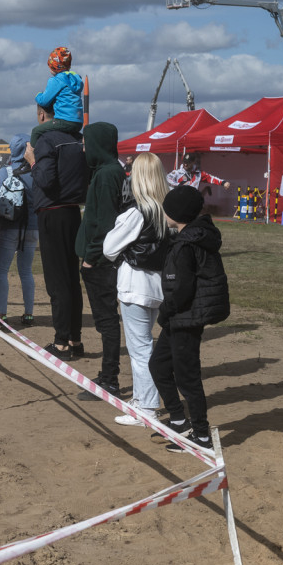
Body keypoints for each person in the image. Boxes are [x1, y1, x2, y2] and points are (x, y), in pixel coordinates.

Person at [149, 186, 230, 452]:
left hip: (185, 318)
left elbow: (180, 290)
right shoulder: (189, 237)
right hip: (179, 317)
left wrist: (165, 312)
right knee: (159, 366)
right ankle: (178, 419)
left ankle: (202, 437)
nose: (164, 212)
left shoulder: (186, 244)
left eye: (167, 208)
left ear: (176, 214)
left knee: (187, 378)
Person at [102, 153, 171, 426]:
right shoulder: (166, 210)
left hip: (135, 287)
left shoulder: (136, 212)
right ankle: (143, 400)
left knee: (140, 348)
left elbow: (108, 248)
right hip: (157, 286)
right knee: (144, 346)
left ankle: (147, 409)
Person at [28, 103, 89, 359]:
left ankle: (61, 341)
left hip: (52, 212)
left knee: (57, 281)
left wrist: (32, 161)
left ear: (42, 114)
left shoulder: (45, 139)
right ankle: (74, 339)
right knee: (72, 279)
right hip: (72, 211)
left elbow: (44, 179)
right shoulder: (76, 139)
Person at [76, 121, 127, 399]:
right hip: (97, 259)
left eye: (86, 142)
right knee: (103, 321)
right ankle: (107, 374)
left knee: (106, 321)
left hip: (101, 262)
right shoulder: (104, 172)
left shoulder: (108, 174)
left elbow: (105, 224)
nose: (84, 147)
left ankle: (110, 379)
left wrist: (92, 258)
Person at [0, 133, 38, 329]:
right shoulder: (36, 171)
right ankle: (28, 313)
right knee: (26, 271)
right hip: (33, 227)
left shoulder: (5, 172)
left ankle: (1, 313)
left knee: (1, 271)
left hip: (10, 227)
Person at [31, 46, 84, 148]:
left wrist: (38, 95)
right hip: (78, 122)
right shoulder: (75, 79)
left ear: (54, 66)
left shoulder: (56, 80)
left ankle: (32, 157)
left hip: (64, 120)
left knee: (36, 131)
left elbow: (44, 101)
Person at [166, 152, 231, 193]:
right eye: (184, 162)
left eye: (188, 163)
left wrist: (223, 182)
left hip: (191, 202)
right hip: (178, 201)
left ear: (193, 162)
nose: (185, 165)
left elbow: (211, 178)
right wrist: (179, 185)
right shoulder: (177, 173)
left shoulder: (198, 174)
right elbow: (167, 179)